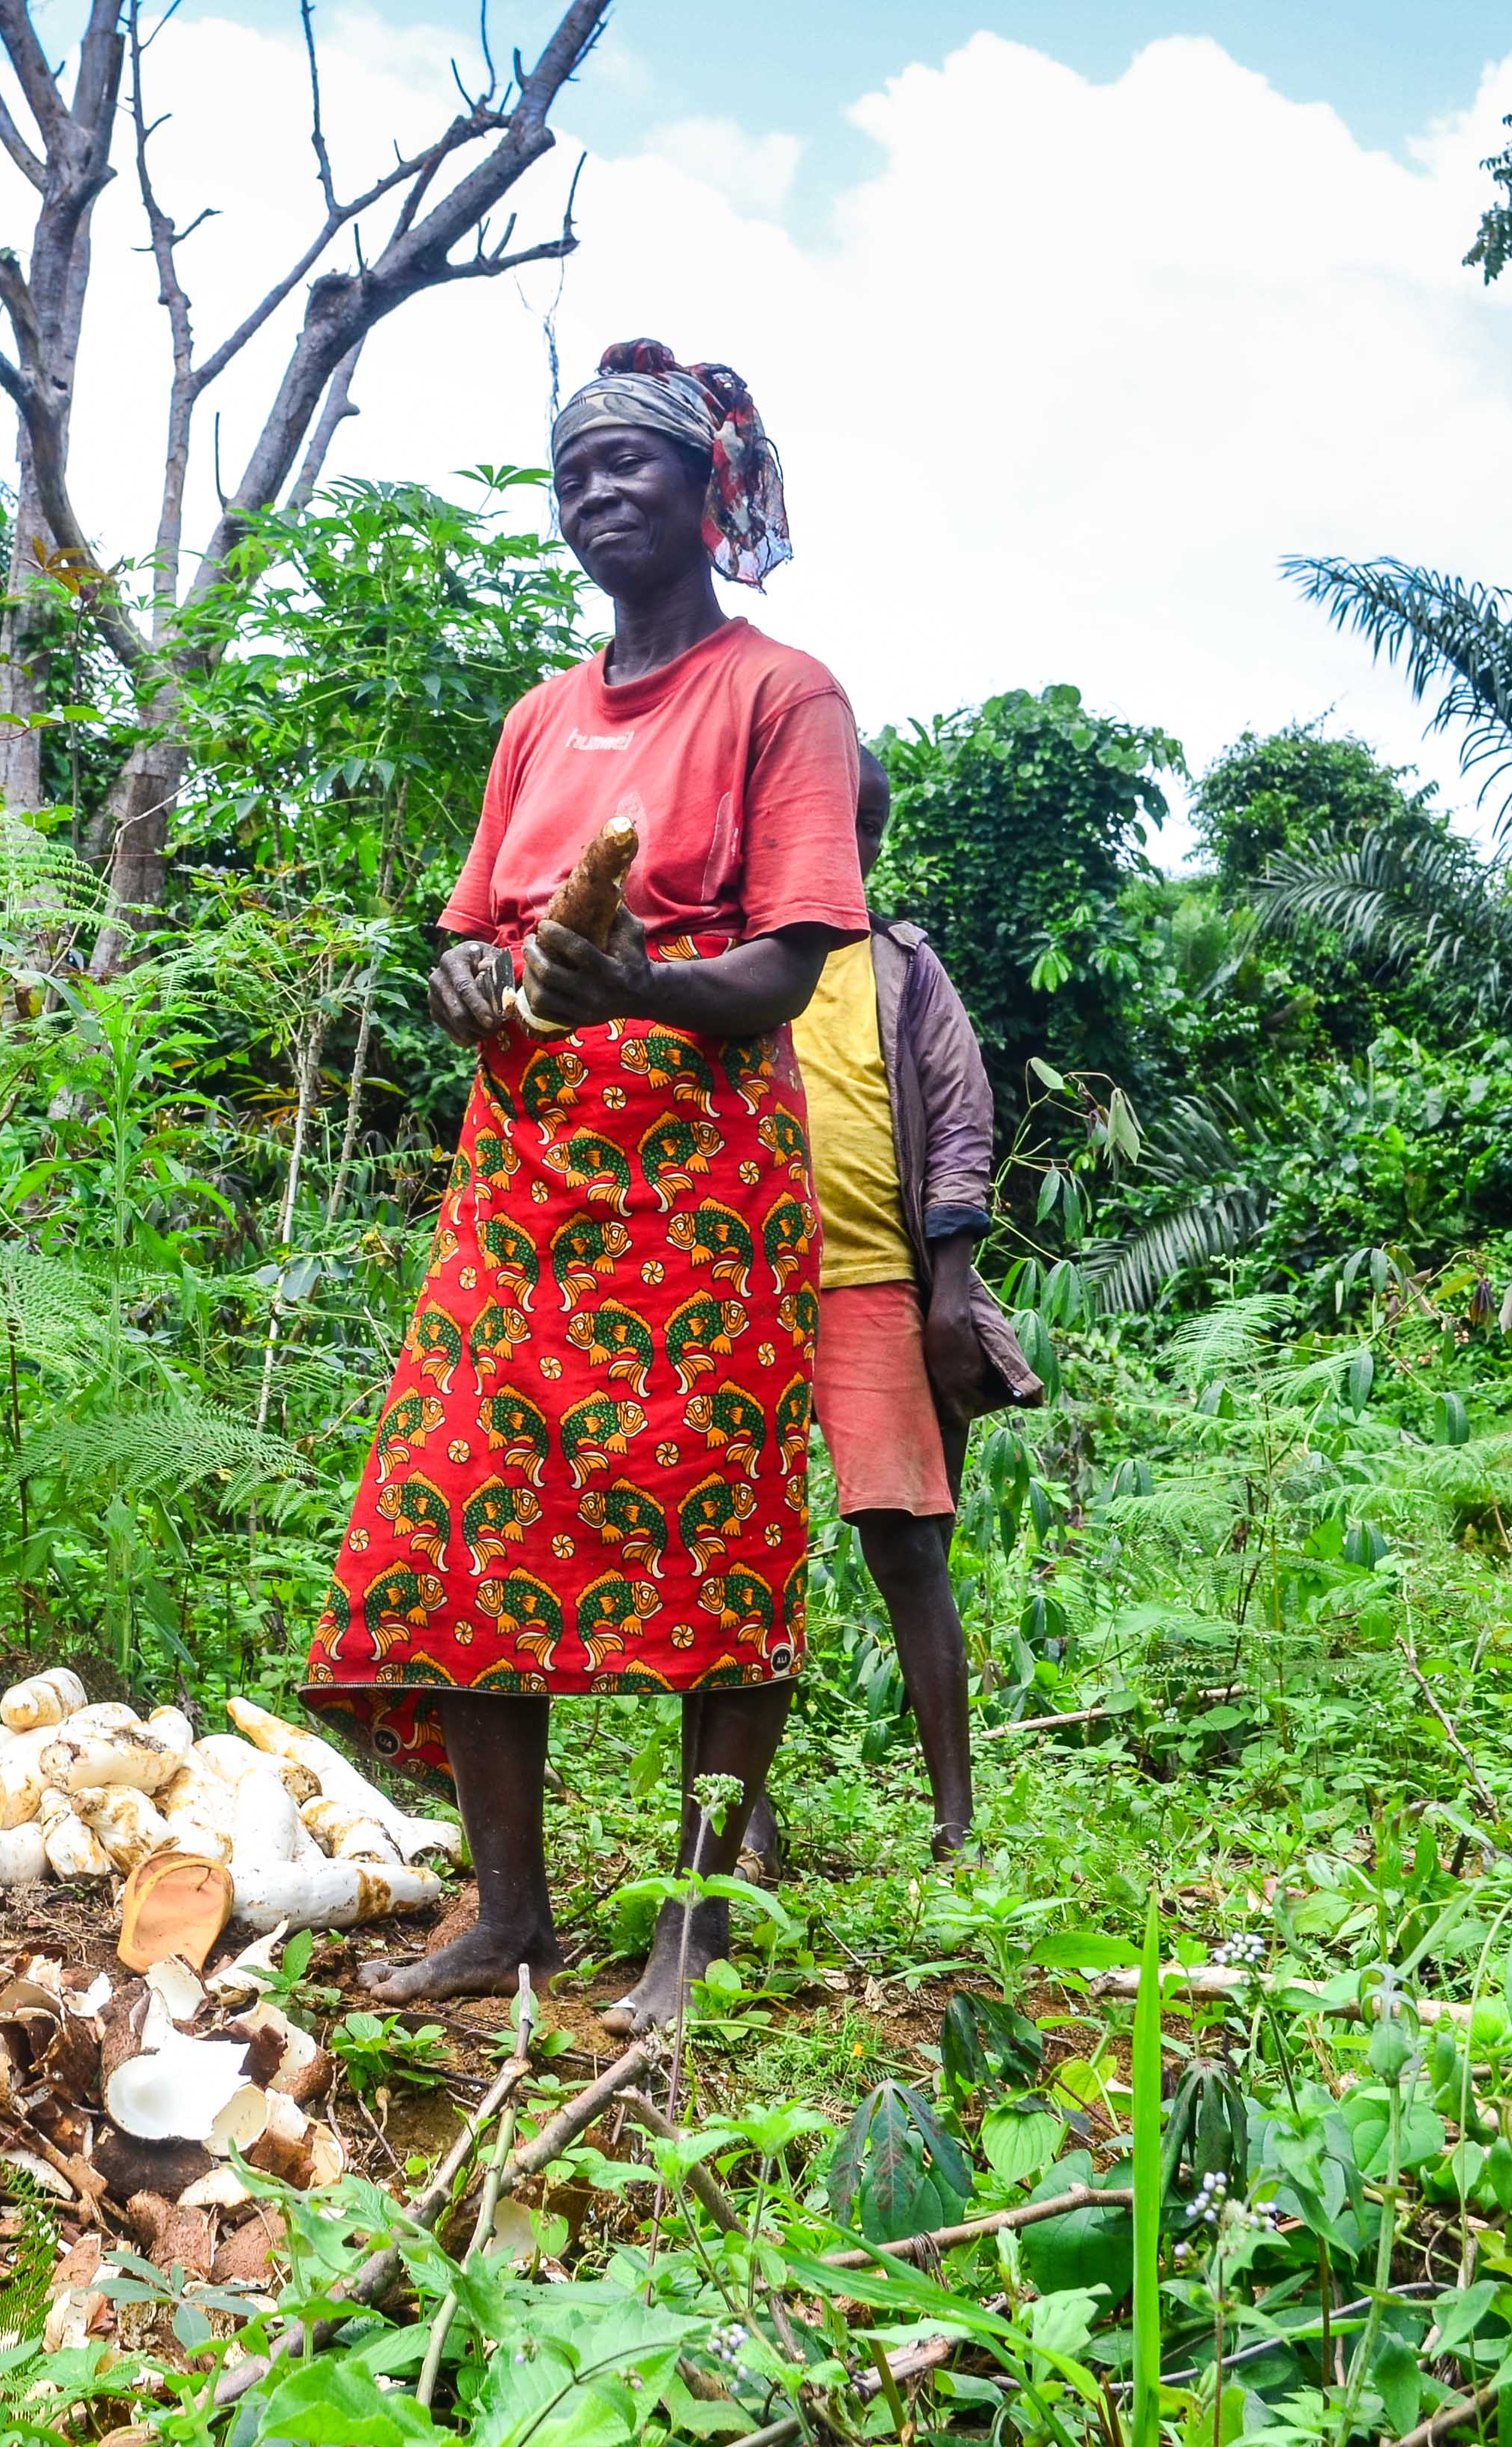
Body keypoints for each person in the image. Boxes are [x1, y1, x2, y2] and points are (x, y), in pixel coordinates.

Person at [305, 337, 864, 2038]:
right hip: (525, 1170)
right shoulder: (538, 718)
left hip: (701, 1176)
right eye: (573, 473)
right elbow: (470, 935)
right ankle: (514, 1919)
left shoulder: (786, 696)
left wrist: (631, 990)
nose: (598, 492)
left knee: (714, 1534)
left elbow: (782, 970)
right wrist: (469, 984)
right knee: (457, 1511)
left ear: (712, 492)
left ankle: (690, 1936)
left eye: (631, 464)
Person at [741, 747, 1042, 1874]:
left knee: (908, 1543)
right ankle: (743, 1818)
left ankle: (956, 1823)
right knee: (733, 1552)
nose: (848, 850)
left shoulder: (904, 968)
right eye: (829, 825)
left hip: (874, 1285)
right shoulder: (724, 956)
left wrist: (951, 1293)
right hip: (739, 1290)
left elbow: (962, 1122)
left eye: (865, 829)